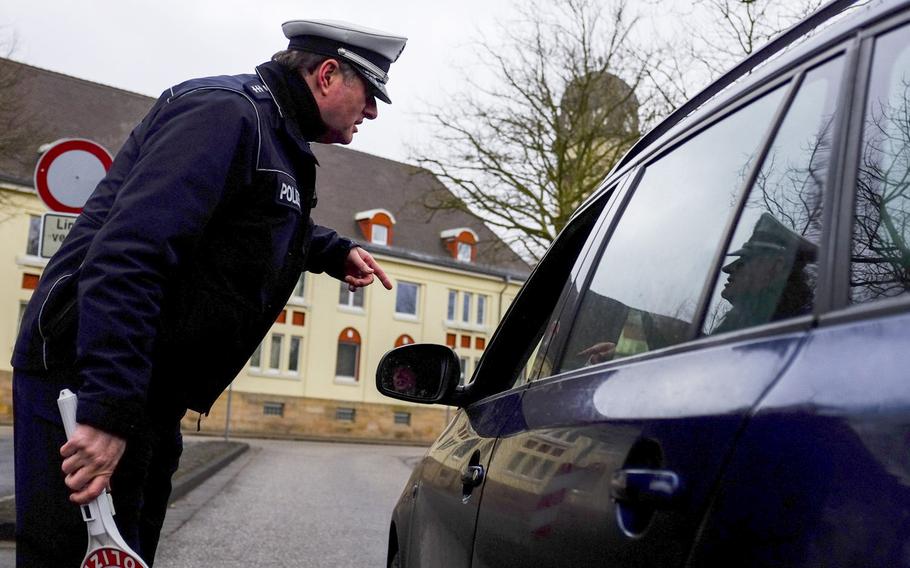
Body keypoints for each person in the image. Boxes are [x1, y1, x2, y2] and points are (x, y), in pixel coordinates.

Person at [11, 19, 406, 567]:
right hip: (85, 376)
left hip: (147, 390)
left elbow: (245, 214)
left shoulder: (273, 131)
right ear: (328, 74)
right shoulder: (225, 112)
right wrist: (106, 411)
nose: (373, 112)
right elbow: (131, 255)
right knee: (75, 557)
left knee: (130, 553)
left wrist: (329, 250)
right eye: (370, 93)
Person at [713, 212, 817, 334]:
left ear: (777, 266)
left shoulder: (805, 330)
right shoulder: (744, 325)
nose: (727, 268)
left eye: (743, 261)